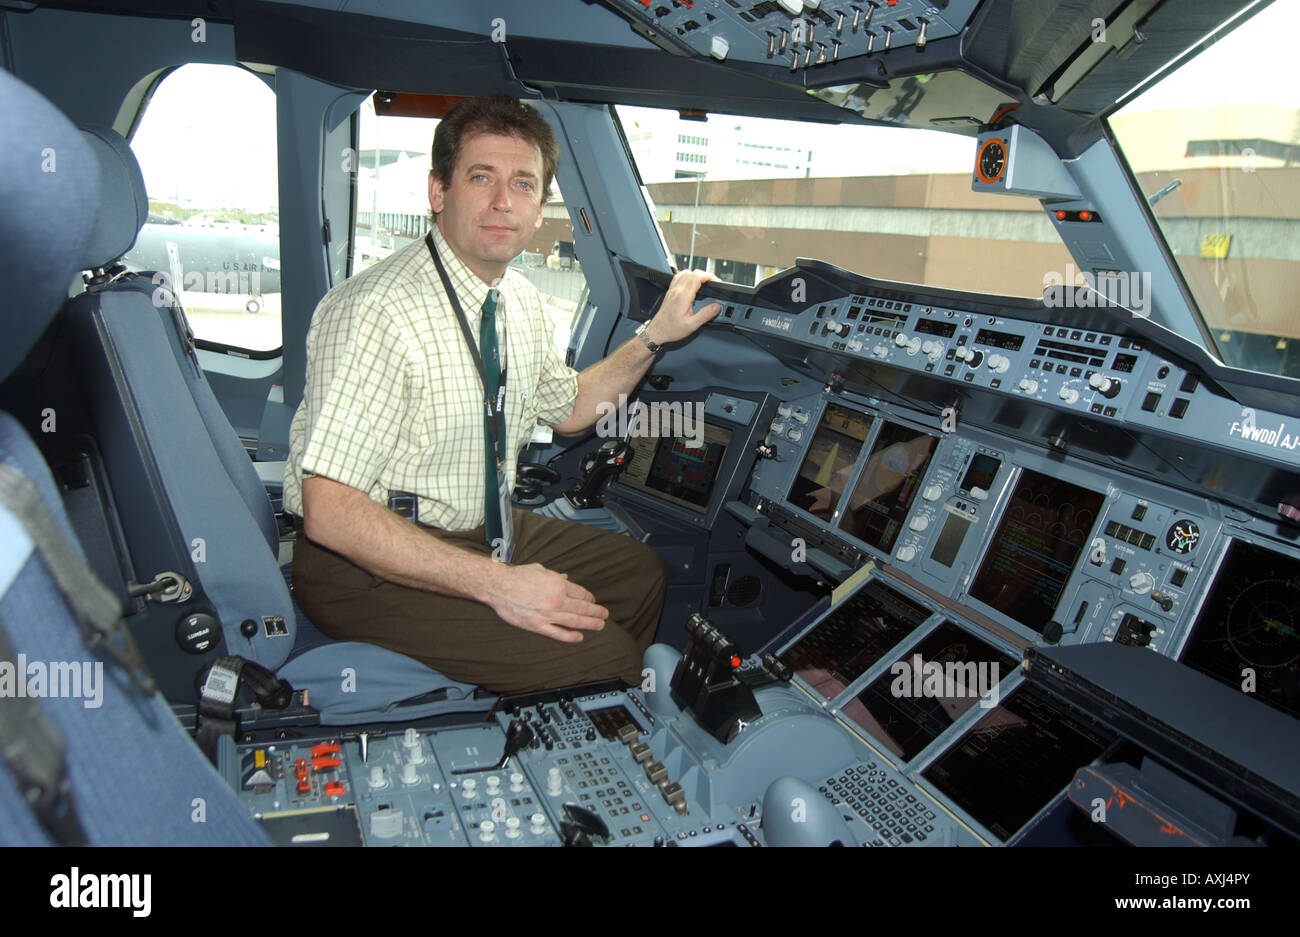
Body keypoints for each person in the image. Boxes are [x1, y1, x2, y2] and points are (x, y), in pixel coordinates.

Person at [282, 96, 720, 694]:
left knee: (639, 573)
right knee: (608, 660)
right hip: (365, 566)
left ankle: (559, 708)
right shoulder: (376, 311)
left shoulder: (519, 302)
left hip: (482, 529)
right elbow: (330, 513)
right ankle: (579, 710)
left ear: (540, 208)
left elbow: (568, 410)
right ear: (438, 192)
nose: (501, 202)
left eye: (522, 184)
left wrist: (653, 338)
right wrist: (499, 586)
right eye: (480, 177)